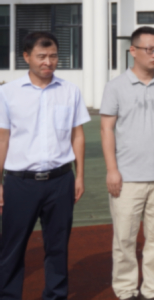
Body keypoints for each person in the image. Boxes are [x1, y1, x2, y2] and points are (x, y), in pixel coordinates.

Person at [0, 32, 90, 300]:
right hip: (20, 182)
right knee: (12, 247)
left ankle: (55, 295)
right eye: (41, 56)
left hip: (60, 181)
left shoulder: (70, 91)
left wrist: (79, 176)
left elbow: (77, 135)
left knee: (58, 247)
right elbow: (2, 139)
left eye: (53, 56)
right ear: (26, 57)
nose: (48, 62)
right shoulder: (7, 93)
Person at [100, 26, 154, 300]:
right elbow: (106, 129)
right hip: (126, 179)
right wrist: (112, 170)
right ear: (133, 51)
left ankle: (152, 290)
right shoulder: (115, 87)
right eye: (149, 49)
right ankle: (126, 291)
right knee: (124, 240)